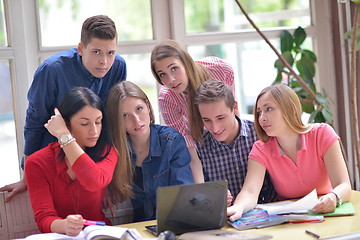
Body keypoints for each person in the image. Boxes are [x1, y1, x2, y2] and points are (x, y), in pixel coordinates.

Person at [0, 15, 127, 201]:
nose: (105, 62)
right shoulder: (51, 70)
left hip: (92, 159)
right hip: (54, 154)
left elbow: (108, 121)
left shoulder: (118, 67)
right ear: (81, 48)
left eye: (111, 53)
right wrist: (27, 174)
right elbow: (35, 122)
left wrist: (106, 180)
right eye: (97, 52)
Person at [227, 84, 352, 221]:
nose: (262, 118)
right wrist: (238, 207)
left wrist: (334, 197)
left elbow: (344, 185)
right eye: (259, 112)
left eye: (269, 109)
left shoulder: (322, 134)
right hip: (290, 221)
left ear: (291, 109)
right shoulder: (260, 149)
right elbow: (250, 191)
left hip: (328, 215)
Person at [25, 87, 123, 236]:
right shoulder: (37, 163)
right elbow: (44, 218)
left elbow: (94, 181)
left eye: (98, 122)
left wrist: (64, 135)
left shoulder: (108, 151)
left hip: (99, 235)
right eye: (84, 124)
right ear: (66, 123)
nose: (94, 131)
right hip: (60, 236)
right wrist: (65, 225)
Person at [105, 81, 194, 222]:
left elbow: (183, 193)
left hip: (173, 224)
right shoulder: (115, 148)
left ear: (147, 105)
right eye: (125, 116)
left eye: (139, 109)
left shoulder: (171, 141)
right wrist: (103, 190)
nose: (136, 120)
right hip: (138, 228)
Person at [150, 39, 235, 183]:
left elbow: (231, 112)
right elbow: (191, 153)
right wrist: (201, 191)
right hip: (201, 148)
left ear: (186, 63)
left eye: (174, 68)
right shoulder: (167, 99)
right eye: (162, 74)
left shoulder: (220, 69)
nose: (170, 80)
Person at [194, 79, 277, 205]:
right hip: (226, 220)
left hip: (270, 213)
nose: (215, 128)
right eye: (207, 120)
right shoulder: (198, 148)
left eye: (221, 118)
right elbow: (195, 200)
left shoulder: (261, 133)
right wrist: (210, 198)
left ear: (235, 107)